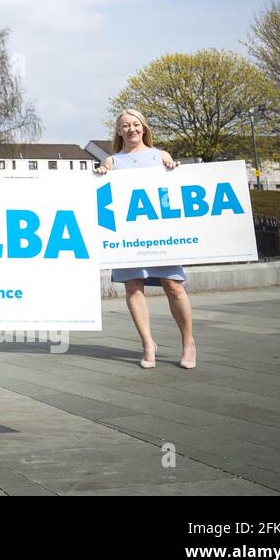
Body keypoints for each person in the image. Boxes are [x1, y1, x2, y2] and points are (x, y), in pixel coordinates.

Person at [95, 109, 196, 370]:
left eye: (135, 124)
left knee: (173, 286)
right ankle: (148, 344)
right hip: (128, 236)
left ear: (144, 128)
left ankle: (188, 342)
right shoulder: (112, 161)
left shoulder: (160, 156)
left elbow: (170, 194)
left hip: (159, 234)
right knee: (132, 287)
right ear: (119, 131)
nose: (131, 129)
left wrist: (173, 170)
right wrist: (101, 171)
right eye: (125, 125)